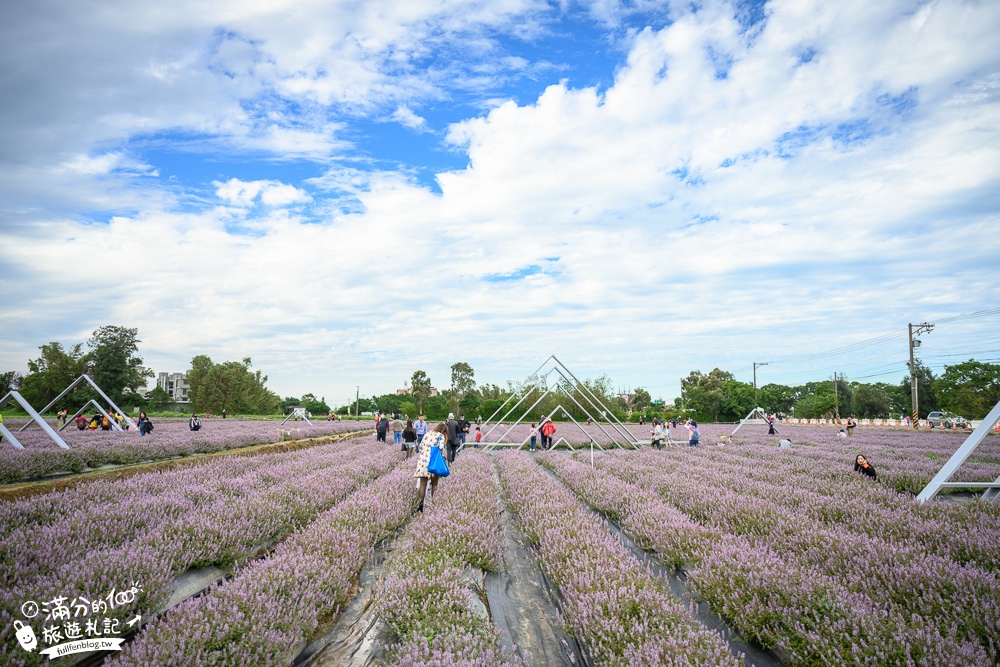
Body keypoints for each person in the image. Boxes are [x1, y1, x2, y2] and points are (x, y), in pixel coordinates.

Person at [414, 423, 448, 511]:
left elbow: (421, 446)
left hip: (422, 461)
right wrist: (443, 456)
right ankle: (434, 505)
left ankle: (420, 506)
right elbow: (440, 448)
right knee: (434, 484)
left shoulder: (427, 433)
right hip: (433, 461)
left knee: (423, 484)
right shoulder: (440, 436)